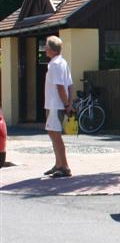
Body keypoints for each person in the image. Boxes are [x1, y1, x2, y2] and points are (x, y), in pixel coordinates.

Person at [43, 36, 73, 178]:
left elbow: (60, 87)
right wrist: (69, 103)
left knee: (56, 136)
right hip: (57, 104)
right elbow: (70, 85)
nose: (44, 49)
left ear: (51, 49)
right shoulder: (62, 62)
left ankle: (64, 167)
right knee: (53, 134)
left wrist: (66, 104)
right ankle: (58, 164)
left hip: (54, 104)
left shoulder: (55, 65)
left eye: (46, 46)